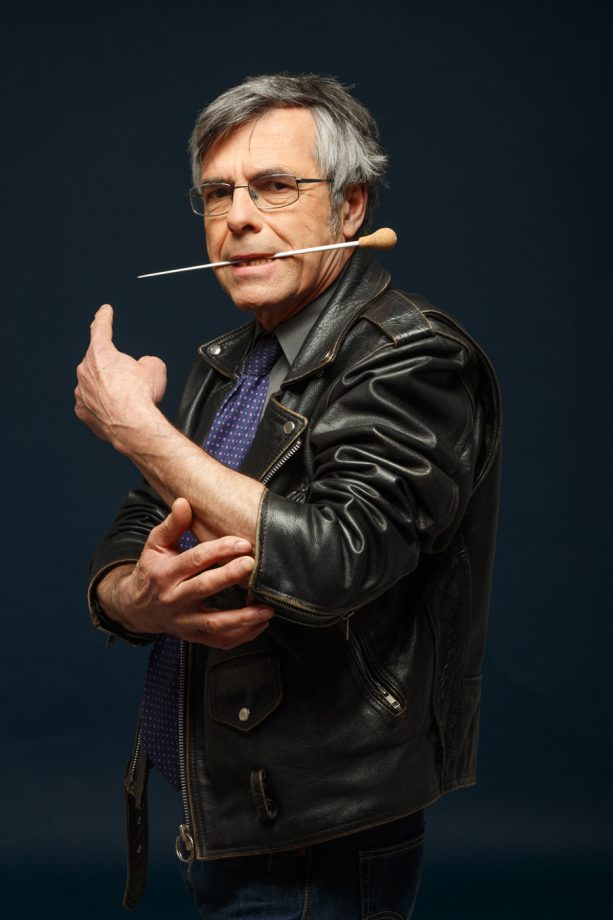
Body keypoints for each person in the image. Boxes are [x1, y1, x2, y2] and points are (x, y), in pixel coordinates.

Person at [75, 73, 501, 919]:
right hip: (225, 815)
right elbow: (144, 519)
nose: (237, 218)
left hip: (318, 834)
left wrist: (137, 429)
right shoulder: (231, 359)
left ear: (350, 207)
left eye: (273, 186)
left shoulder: (414, 358)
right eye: (217, 193)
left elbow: (333, 562)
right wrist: (137, 601)